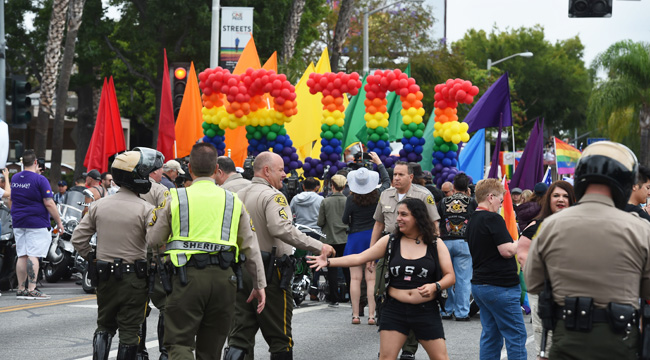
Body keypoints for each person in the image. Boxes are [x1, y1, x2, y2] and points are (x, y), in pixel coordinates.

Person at [525, 141, 650, 359]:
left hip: (567, 336)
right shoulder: (640, 228)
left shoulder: (551, 226)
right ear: (625, 183)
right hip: (619, 339)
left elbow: (534, 282)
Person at [147, 143, 266, 360]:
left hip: (185, 279)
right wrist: (259, 284)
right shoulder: (233, 200)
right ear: (215, 170)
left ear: (189, 168)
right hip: (224, 280)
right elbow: (251, 246)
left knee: (179, 343)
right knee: (211, 351)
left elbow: (153, 239)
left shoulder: (175, 197)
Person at [309, 198, 455, 360]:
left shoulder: (435, 243)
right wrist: (328, 262)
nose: (398, 218)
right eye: (398, 214)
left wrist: (435, 286)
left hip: (426, 311)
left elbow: (450, 276)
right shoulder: (390, 241)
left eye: (404, 214)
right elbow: (359, 258)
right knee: (386, 357)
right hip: (394, 310)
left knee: (441, 358)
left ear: (418, 217)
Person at [225, 151, 335, 360]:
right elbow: (281, 228)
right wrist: (318, 246)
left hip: (242, 269)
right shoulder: (273, 195)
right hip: (270, 273)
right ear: (267, 171)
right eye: (281, 169)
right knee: (280, 338)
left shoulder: (237, 195)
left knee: (239, 336)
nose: (285, 174)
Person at [71, 148, 157, 359]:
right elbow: (156, 244)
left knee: (104, 325)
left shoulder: (98, 206)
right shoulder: (146, 209)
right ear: (136, 177)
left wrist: (92, 257)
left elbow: (78, 239)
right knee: (129, 331)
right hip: (134, 278)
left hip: (105, 275)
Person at [370, 161, 440, 360]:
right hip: (389, 249)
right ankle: (388, 344)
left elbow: (434, 226)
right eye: (394, 174)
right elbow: (378, 224)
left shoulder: (423, 195)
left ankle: (409, 349)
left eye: (401, 174)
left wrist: (432, 254)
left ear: (411, 177)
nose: (396, 178)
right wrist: (372, 251)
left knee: (413, 299)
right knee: (382, 294)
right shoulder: (385, 194)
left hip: (415, 252)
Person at [468, 178, 527, 360]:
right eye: (501, 199)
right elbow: (507, 251)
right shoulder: (493, 218)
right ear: (491, 197)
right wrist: (521, 242)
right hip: (500, 285)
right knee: (516, 334)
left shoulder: (473, 220)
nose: (502, 203)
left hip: (481, 284)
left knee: (491, 335)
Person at [516, 180, 575, 359]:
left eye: (565, 196)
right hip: (544, 293)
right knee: (545, 345)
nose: (560, 200)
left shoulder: (579, 225)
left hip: (574, 294)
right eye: (556, 195)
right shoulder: (537, 225)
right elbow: (522, 253)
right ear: (549, 199)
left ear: (572, 200)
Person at [12, 150, 64, 300]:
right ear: (35, 162)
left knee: (22, 254)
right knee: (33, 255)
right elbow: (49, 202)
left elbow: (12, 201)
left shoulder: (15, 178)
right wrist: (59, 222)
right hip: (36, 221)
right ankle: (32, 288)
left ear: (22, 163)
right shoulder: (40, 180)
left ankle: (21, 288)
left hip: (18, 221)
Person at [342, 165, 389, 324]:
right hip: (373, 238)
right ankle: (371, 315)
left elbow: (344, 220)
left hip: (355, 237)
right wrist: (379, 164)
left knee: (355, 278)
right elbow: (387, 182)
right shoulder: (378, 196)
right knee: (371, 279)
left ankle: (355, 315)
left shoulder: (350, 198)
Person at [136, 148, 170, 360]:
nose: (162, 173)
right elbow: (170, 221)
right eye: (160, 170)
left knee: (138, 305)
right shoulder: (160, 190)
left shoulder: (124, 187)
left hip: (132, 254)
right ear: (153, 171)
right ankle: (165, 352)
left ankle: (138, 352)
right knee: (166, 305)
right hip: (156, 254)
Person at [437, 173, 477, 321]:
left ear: (453, 186)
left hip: (445, 242)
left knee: (447, 277)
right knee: (463, 280)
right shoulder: (472, 202)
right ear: (467, 187)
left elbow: (437, 219)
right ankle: (461, 312)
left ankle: (447, 310)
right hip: (464, 242)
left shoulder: (444, 201)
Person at [316, 174, 350, 307]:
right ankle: (352, 296)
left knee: (331, 268)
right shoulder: (348, 200)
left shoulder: (325, 201)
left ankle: (334, 298)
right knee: (347, 267)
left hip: (329, 238)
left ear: (332, 186)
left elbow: (320, 222)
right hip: (345, 238)